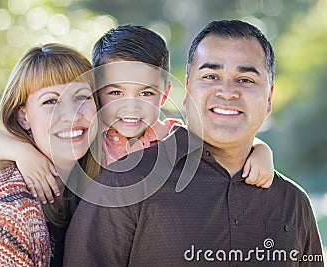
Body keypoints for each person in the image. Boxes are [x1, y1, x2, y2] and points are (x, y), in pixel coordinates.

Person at [63, 20, 324, 266]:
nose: (227, 91)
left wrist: (261, 149)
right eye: (211, 76)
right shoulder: (119, 183)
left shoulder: (293, 203)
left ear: (268, 98)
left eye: (245, 80)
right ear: (187, 91)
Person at [0, 24, 275, 205]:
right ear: (96, 93)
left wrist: (262, 151)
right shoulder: (87, 138)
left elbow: (222, 147)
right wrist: (24, 154)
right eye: (115, 93)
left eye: (146, 94)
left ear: (163, 94)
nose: (131, 108)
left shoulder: (171, 136)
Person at [0, 43, 100, 266]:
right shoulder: (6, 214)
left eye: (81, 97)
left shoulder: (94, 173)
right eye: (50, 101)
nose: (72, 115)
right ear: (24, 117)